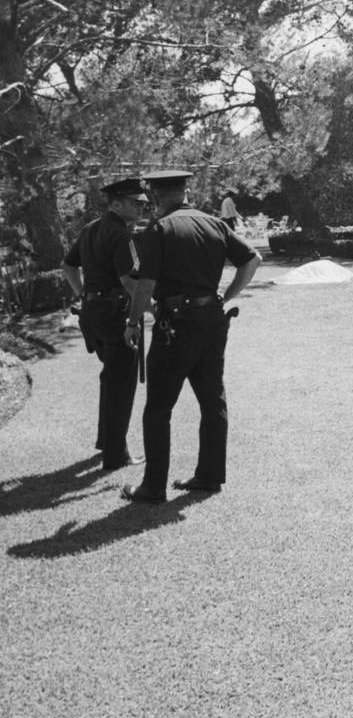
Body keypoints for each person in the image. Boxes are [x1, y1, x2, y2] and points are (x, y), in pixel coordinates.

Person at [119, 170, 261, 503]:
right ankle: (209, 477)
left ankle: (153, 487)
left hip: (176, 325)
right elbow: (253, 260)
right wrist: (226, 296)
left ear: (156, 196)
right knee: (213, 401)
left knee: (158, 408)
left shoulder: (159, 229)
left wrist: (132, 321)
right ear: (185, 191)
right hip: (212, 319)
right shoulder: (215, 224)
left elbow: (146, 284)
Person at [61, 177, 149, 470]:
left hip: (92, 313)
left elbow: (68, 266)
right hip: (114, 315)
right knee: (120, 385)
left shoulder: (91, 228)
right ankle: (116, 454)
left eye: (143, 203)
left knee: (111, 379)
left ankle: (107, 441)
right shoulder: (121, 234)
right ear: (116, 204)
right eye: (135, 203)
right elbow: (130, 282)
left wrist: (83, 294)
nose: (141, 207)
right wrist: (154, 309)